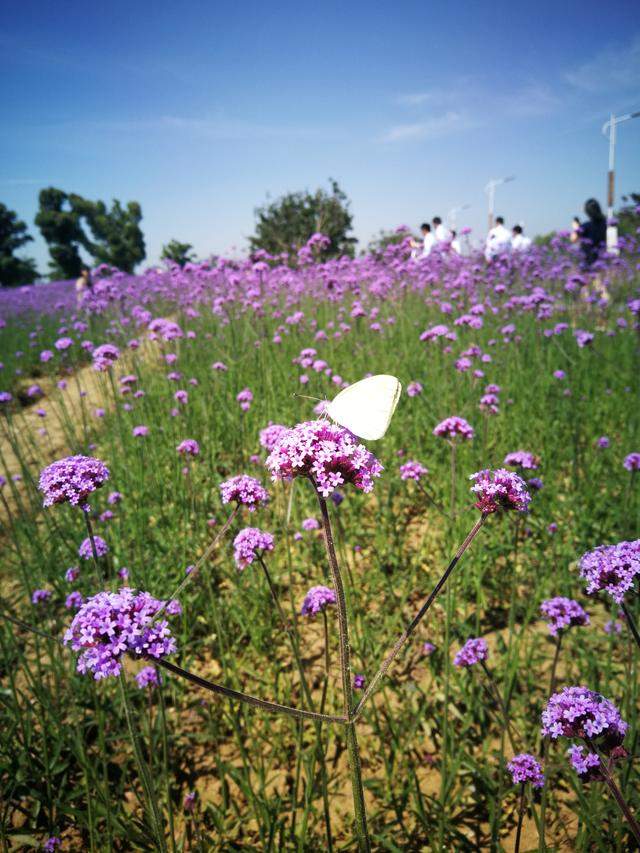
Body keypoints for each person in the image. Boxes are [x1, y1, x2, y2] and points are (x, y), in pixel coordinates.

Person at [570, 198, 606, 266]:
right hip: (603, 261)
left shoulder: (586, 226)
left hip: (588, 262)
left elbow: (573, 239)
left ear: (587, 212)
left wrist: (576, 227)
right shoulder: (606, 224)